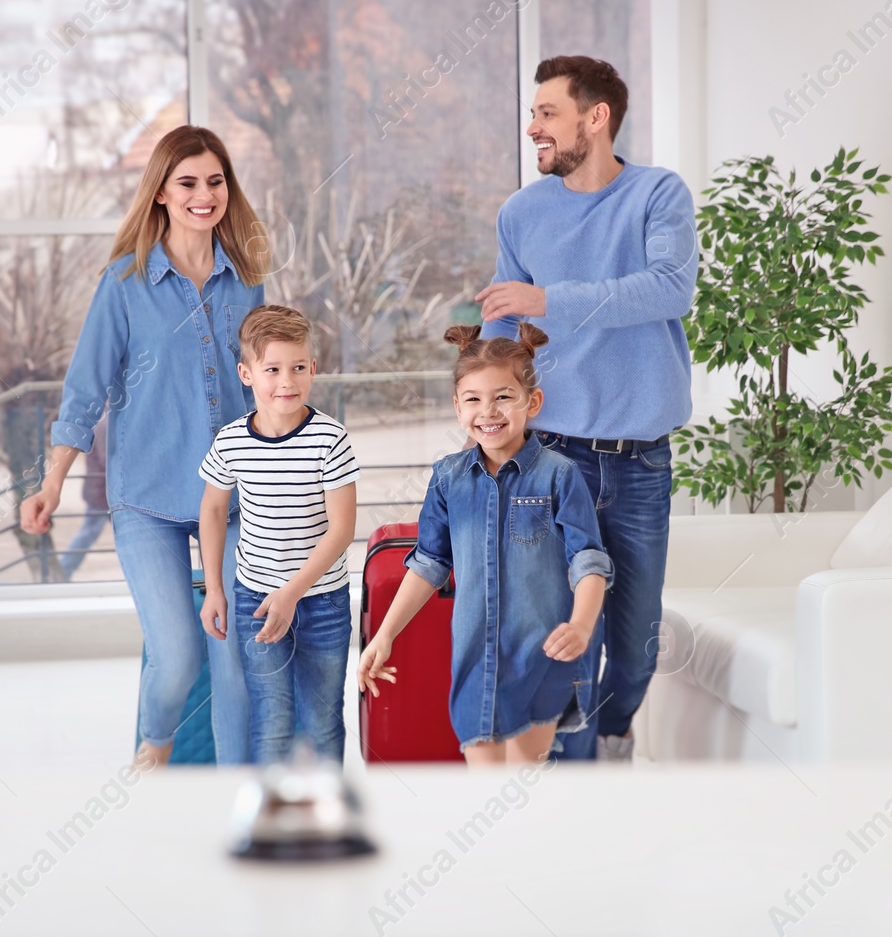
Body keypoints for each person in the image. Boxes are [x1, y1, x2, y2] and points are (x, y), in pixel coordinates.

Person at [20, 125, 269, 768]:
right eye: (188, 183)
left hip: (237, 498)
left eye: (215, 182)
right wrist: (51, 485)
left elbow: (265, 385)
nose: (203, 195)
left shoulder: (245, 280)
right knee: (179, 655)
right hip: (149, 497)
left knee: (237, 658)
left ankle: (238, 796)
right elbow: (84, 390)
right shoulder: (125, 282)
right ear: (160, 191)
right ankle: (153, 751)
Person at [476, 55, 699, 762]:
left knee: (634, 640)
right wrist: (484, 400)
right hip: (551, 462)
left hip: (638, 464)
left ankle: (612, 735)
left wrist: (551, 300)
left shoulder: (658, 196)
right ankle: (570, 790)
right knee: (568, 635)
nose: (534, 127)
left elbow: (669, 289)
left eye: (547, 113)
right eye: (535, 114)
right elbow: (504, 326)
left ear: (594, 118)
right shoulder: (523, 212)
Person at [357, 324, 611, 766]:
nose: (487, 411)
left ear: (532, 402)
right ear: (457, 407)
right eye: (473, 398)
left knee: (523, 787)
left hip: (540, 660)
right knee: (485, 791)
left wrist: (582, 625)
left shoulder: (560, 475)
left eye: (503, 396)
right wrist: (383, 635)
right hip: (475, 664)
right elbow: (428, 564)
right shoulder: (447, 479)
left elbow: (588, 561)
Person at [197, 305, 361, 765]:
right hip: (255, 600)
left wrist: (291, 594)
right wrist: (214, 589)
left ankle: (326, 822)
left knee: (323, 718)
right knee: (271, 717)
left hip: (323, 603)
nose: (287, 382)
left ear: (314, 368)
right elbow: (211, 509)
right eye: (272, 369)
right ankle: (269, 824)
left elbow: (342, 529)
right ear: (246, 374)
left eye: (297, 368)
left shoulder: (332, 439)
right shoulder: (230, 441)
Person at [59, 417, 108, 581]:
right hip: (102, 493)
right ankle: (63, 570)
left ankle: (64, 569)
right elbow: (108, 460)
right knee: (87, 533)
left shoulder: (102, 426)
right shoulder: (106, 427)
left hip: (101, 492)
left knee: (88, 533)